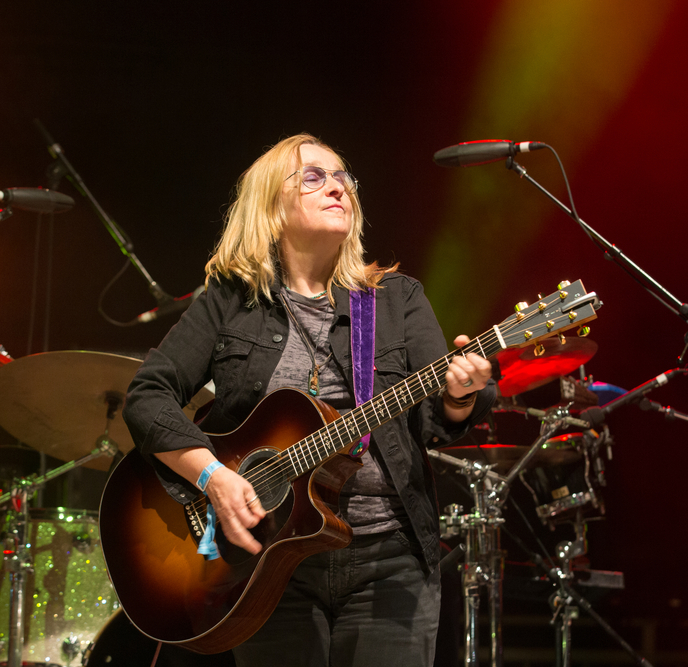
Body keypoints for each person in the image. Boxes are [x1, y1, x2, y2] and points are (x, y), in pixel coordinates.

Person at [122, 133, 496, 667]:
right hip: (267, 565)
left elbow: (438, 415)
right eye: (315, 177)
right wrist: (214, 477)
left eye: (343, 177)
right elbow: (147, 395)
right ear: (270, 206)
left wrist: (461, 395)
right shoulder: (230, 301)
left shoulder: (395, 301)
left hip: (389, 561)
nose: (337, 187)